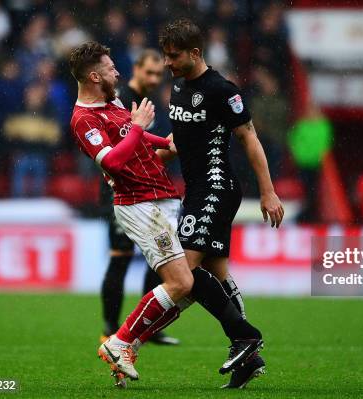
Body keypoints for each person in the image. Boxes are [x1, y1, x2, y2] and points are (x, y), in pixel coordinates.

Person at [68, 41, 264, 388]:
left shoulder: (112, 103)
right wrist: (140, 127)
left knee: (191, 281)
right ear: (95, 75)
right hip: (138, 204)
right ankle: (121, 340)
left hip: (163, 197)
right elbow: (113, 160)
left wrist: (164, 143)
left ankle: (240, 343)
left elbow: (137, 143)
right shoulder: (83, 119)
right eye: (111, 67)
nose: (117, 71)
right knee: (182, 281)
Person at [156, 19, 284, 388]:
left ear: (195, 53)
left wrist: (268, 191)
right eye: (166, 55)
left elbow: (249, 138)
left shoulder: (221, 90)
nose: (168, 62)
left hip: (216, 187)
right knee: (217, 273)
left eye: (174, 56)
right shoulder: (178, 87)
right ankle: (248, 353)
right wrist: (135, 164)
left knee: (181, 272)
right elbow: (178, 140)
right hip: (195, 189)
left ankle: (244, 336)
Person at [99, 49, 178, 346]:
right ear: (136, 68)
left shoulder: (154, 102)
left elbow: (146, 152)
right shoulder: (120, 98)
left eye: (159, 74)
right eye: (150, 72)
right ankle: (109, 328)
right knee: (120, 258)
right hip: (118, 189)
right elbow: (118, 155)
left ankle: (150, 327)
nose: (155, 79)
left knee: (157, 259)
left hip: (146, 189)